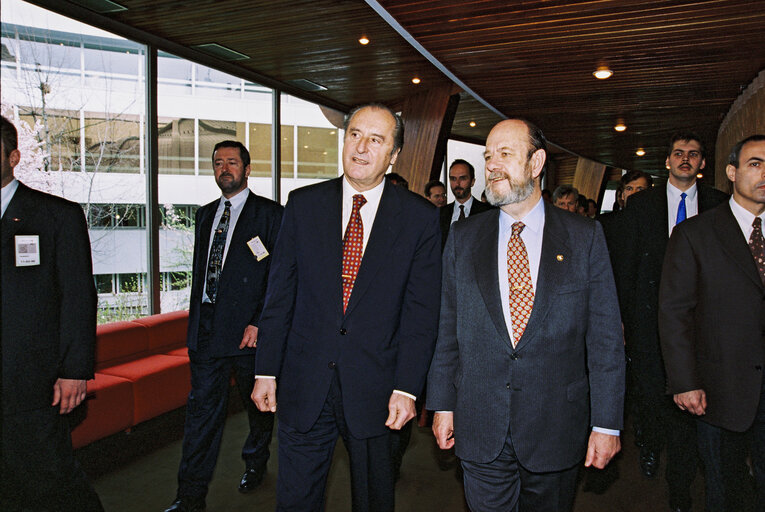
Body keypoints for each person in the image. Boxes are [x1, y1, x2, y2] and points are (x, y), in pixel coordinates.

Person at [427, 118, 625, 512]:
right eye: (487, 155)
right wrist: (442, 403)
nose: (492, 164)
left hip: (555, 426)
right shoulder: (464, 239)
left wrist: (606, 423)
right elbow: (448, 329)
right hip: (480, 421)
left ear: (536, 163)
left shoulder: (584, 238)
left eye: (504, 154)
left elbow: (604, 340)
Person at [250, 103, 441, 511]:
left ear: (393, 156)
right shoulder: (303, 205)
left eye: (376, 139)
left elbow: (421, 314)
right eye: (355, 134)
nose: (361, 147)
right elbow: (279, 295)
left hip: (378, 390)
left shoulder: (419, 219)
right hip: (303, 383)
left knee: (373, 500)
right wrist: (266, 369)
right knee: (295, 500)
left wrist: (407, 388)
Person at [164, 141, 283, 512]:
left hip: (249, 336)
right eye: (218, 163)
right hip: (207, 333)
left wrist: (260, 322)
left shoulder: (270, 215)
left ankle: (255, 462)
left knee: (258, 409)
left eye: (232, 162)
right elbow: (203, 275)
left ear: (247, 169)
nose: (224, 168)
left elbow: (280, 276)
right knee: (201, 417)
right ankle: (189, 497)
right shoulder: (204, 215)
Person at [613, 132, 728, 512]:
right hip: (648, 322)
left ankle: (681, 483)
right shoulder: (642, 206)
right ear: (667, 162)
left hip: (701, 325)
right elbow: (626, 268)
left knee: (686, 400)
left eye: (693, 155)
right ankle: (648, 444)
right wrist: (623, 321)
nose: (685, 160)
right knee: (650, 395)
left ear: (703, 164)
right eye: (678, 153)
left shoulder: (718, 205)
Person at [1, 115, 104, 511]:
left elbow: (79, 297)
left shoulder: (55, 215)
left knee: (52, 481)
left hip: (35, 382)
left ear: (14, 156)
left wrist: (75, 370)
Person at [660, 134, 765, 512]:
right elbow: (675, 313)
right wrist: (685, 382)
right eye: (755, 163)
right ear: (732, 172)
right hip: (721, 390)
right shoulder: (695, 234)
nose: (764, 172)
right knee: (726, 490)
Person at [439, 159, 493, 247]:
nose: (457, 183)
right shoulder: (439, 214)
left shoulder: (487, 213)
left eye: (463, 178)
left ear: (472, 182)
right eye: (453, 179)